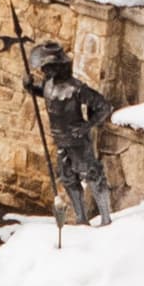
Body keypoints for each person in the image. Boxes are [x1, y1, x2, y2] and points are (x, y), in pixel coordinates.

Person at [28, 37, 116, 225]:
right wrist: (29, 86)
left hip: (78, 142)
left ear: (57, 66)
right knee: (68, 179)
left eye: (47, 67)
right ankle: (81, 218)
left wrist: (87, 125)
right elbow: (42, 92)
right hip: (61, 141)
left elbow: (103, 106)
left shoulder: (76, 88)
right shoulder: (48, 84)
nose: (44, 71)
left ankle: (106, 218)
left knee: (93, 175)